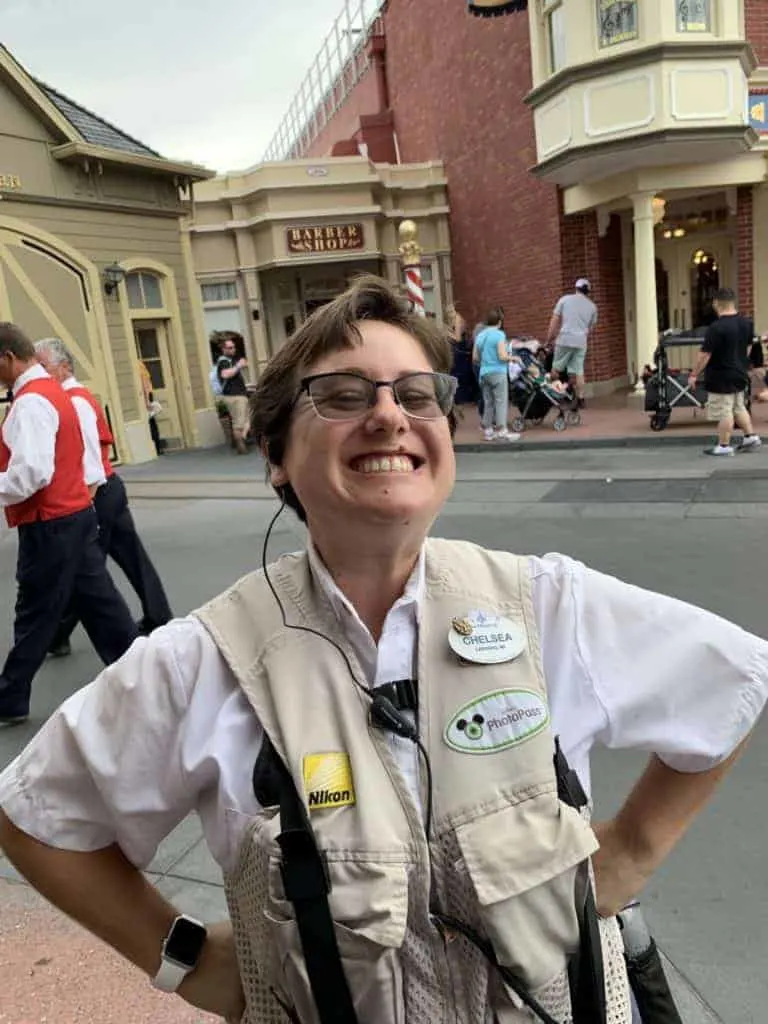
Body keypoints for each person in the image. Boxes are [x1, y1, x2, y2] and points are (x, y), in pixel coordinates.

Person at [0, 277, 766, 1024]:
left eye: (418, 394)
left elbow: (734, 678)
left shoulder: (549, 607)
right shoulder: (202, 660)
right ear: (275, 455)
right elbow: (35, 816)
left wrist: (630, 853)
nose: (389, 416)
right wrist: (189, 962)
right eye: (342, 395)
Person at [0, 324, 139, 724]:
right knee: (102, 606)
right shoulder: (54, 393)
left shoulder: (30, 402)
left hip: (51, 523)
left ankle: (9, 697)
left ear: (8, 358)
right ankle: (145, 673)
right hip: (74, 515)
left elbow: (31, 473)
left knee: (35, 612)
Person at [34, 338, 173, 652]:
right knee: (125, 559)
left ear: (64, 366)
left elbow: (89, 463)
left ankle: (59, 635)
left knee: (83, 569)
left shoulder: (73, 402)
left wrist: (84, 507)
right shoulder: (72, 398)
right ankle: (158, 615)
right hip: (108, 489)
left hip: (96, 493)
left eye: (44, 366)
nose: (39, 373)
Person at [689, 288, 763, 457]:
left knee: (724, 410)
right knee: (738, 407)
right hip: (739, 372)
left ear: (716, 303)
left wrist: (694, 374)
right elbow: (749, 347)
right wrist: (741, 362)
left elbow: (705, 354)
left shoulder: (716, 327)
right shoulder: (747, 323)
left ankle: (724, 446)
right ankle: (750, 437)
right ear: (733, 301)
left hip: (721, 375)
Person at [547, 278, 598, 408]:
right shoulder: (592, 307)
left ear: (576, 288)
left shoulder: (564, 300)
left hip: (565, 339)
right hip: (581, 341)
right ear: (588, 292)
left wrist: (549, 339)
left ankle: (557, 394)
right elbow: (590, 328)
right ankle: (581, 399)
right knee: (579, 371)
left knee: (556, 368)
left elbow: (554, 321)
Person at [473, 307, 518, 441]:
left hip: (484, 373)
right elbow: (502, 356)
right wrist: (513, 358)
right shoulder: (499, 335)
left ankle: (488, 431)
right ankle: (502, 430)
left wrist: (486, 362)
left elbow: (475, 357)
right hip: (498, 372)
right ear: (499, 321)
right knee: (501, 401)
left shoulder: (480, 335)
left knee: (488, 402)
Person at [216, 337, 250, 454]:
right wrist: (238, 366)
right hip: (234, 396)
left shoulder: (231, 360)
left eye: (234, 347)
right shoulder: (223, 361)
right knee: (239, 423)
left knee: (247, 419)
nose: (233, 349)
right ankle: (240, 445)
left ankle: (241, 439)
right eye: (230, 348)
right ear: (224, 349)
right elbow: (225, 375)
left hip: (240, 394)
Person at [138, 359, 166, 456]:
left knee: (150, 422)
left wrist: (147, 402)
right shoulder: (141, 364)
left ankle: (156, 447)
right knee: (152, 421)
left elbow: (144, 384)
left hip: (146, 396)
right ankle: (158, 447)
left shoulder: (138, 366)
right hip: (149, 394)